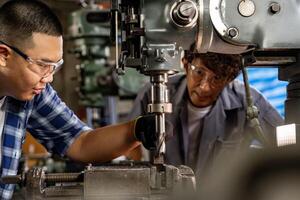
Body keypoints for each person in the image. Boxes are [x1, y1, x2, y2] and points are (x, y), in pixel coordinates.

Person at [0, 1, 155, 199]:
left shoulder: (30, 94)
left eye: (55, 66)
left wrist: (136, 129)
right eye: (42, 65)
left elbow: (80, 142)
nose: (49, 78)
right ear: (4, 55)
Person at [128, 49, 284, 180]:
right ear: (185, 64)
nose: (204, 87)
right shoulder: (154, 94)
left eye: (216, 78)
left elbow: (286, 145)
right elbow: (128, 142)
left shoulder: (249, 102)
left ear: (229, 79)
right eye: (199, 72)